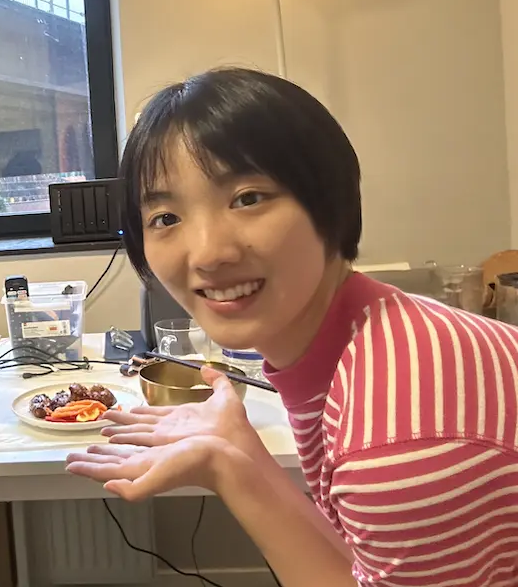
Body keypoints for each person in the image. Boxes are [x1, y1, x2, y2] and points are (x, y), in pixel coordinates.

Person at [66, 68, 518, 586]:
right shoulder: (370, 334)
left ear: (330, 200)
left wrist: (228, 472)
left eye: (248, 198)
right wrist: (237, 452)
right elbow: (356, 565)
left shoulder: (402, 438)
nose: (209, 253)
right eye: (165, 218)